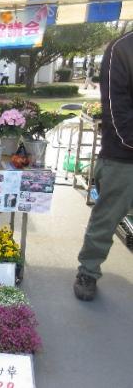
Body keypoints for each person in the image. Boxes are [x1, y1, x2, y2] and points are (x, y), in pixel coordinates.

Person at [74, 31, 133, 301]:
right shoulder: (123, 48)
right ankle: (89, 269)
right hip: (124, 154)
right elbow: (116, 109)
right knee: (107, 217)